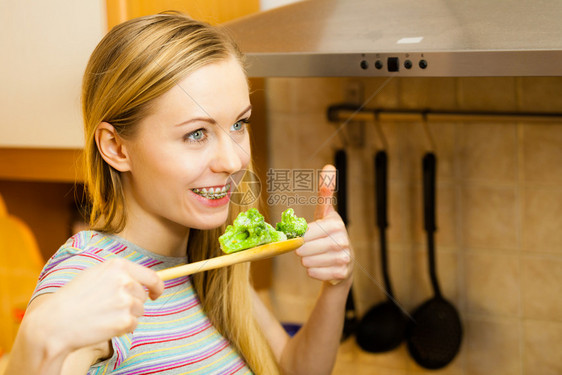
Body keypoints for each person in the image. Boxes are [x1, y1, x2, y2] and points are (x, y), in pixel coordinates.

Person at [6, 12, 353, 375]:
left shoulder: (212, 257)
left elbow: (294, 369)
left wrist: (337, 285)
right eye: (196, 134)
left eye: (239, 124)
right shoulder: (86, 280)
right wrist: (37, 337)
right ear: (117, 148)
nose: (233, 160)